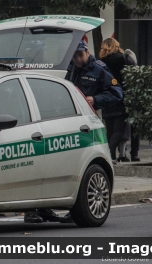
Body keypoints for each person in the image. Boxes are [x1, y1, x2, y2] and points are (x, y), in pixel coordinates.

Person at [24, 40, 123, 224]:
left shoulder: (99, 69)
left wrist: (95, 99)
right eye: (74, 56)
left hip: (83, 125)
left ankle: (77, 209)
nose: (77, 59)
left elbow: (117, 93)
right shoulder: (68, 68)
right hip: (58, 122)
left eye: (80, 55)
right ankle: (39, 208)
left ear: (87, 52)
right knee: (50, 164)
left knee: (79, 167)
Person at [99, 38, 132, 162]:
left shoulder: (101, 61)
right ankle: (108, 153)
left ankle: (111, 156)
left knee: (110, 130)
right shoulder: (120, 58)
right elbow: (124, 79)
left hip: (106, 97)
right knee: (119, 130)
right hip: (119, 97)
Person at [124, 49, 140, 161]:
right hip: (135, 104)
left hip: (124, 102)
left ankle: (123, 153)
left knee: (123, 129)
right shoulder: (137, 75)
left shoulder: (122, 73)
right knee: (134, 130)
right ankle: (134, 154)